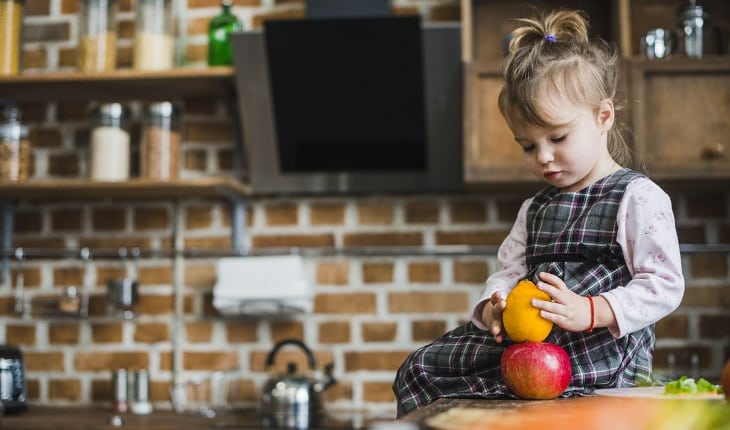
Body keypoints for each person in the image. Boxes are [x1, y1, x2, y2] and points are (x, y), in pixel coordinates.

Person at [392, 9, 685, 418]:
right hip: (528, 350)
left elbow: (665, 284)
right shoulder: (535, 207)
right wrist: (494, 306)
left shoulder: (636, 197)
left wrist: (592, 310)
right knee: (420, 367)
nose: (543, 157)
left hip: (599, 354)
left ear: (603, 116)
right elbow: (508, 273)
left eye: (558, 137)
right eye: (527, 146)